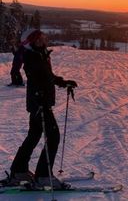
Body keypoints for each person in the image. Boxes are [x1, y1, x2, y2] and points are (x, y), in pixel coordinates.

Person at [8, 29, 77, 189]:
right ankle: (43, 176)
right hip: (40, 103)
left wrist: (62, 82)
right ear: (31, 42)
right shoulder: (32, 56)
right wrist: (39, 93)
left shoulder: (40, 54)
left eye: (42, 38)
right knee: (53, 136)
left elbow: (47, 76)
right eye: (38, 39)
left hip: (39, 102)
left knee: (34, 136)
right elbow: (34, 74)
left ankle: (19, 171)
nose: (42, 41)